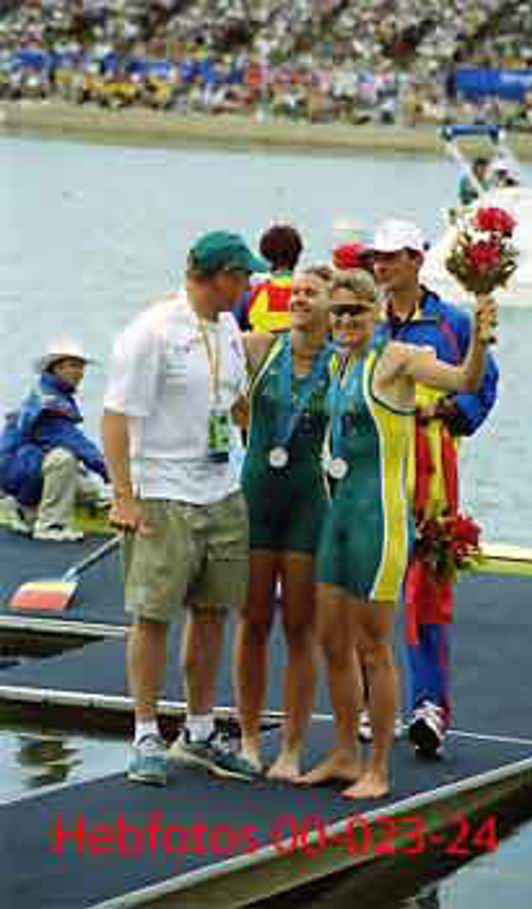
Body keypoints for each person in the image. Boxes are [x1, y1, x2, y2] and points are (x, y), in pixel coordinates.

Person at [300, 268, 497, 799]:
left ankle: (379, 769)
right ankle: (345, 753)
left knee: (373, 648)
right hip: (337, 520)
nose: (345, 321)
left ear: (375, 312)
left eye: (355, 312)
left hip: (380, 521)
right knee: (331, 640)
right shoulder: (335, 362)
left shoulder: (397, 359)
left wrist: (480, 340)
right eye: (338, 312)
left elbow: (465, 381)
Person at [101, 231, 266, 786]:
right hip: (162, 493)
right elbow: (115, 417)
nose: (249, 286)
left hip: (222, 489)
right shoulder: (151, 332)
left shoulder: (228, 328)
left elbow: (235, 405)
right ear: (219, 277)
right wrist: (124, 497)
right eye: (243, 277)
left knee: (213, 612)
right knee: (152, 615)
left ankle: (198, 730)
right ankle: (146, 733)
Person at [369, 218, 498, 758]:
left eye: (391, 256)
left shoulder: (452, 323)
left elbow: (483, 383)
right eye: (375, 258)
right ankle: (373, 700)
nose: (380, 266)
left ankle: (429, 706)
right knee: (367, 587)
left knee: (427, 587)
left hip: (432, 472)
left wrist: (448, 410)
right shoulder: (363, 317)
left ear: (417, 259)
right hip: (372, 470)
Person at [234, 265, 334, 780]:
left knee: (299, 627)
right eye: (295, 292)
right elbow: (200, 344)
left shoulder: (342, 363)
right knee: (253, 621)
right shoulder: (259, 348)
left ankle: (292, 748)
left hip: (306, 504)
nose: (298, 300)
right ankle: (249, 740)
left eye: (310, 294)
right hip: (256, 498)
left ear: (331, 305)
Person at [0, 340, 110, 541]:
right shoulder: (50, 404)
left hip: (22, 466)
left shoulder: (47, 392)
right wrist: (114, 475)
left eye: (81, 367)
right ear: (57, 368)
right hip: (18, 471)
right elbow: (75, 442)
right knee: (64, 458)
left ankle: (21, 508)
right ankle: (51, 525)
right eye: (74, 366)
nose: (80, 373)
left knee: (89, 489)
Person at [233, 224, 303, 332]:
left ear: (265, 255)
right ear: (297, 256)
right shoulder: (309, 293)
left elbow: (233, 328)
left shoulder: (250, 293)